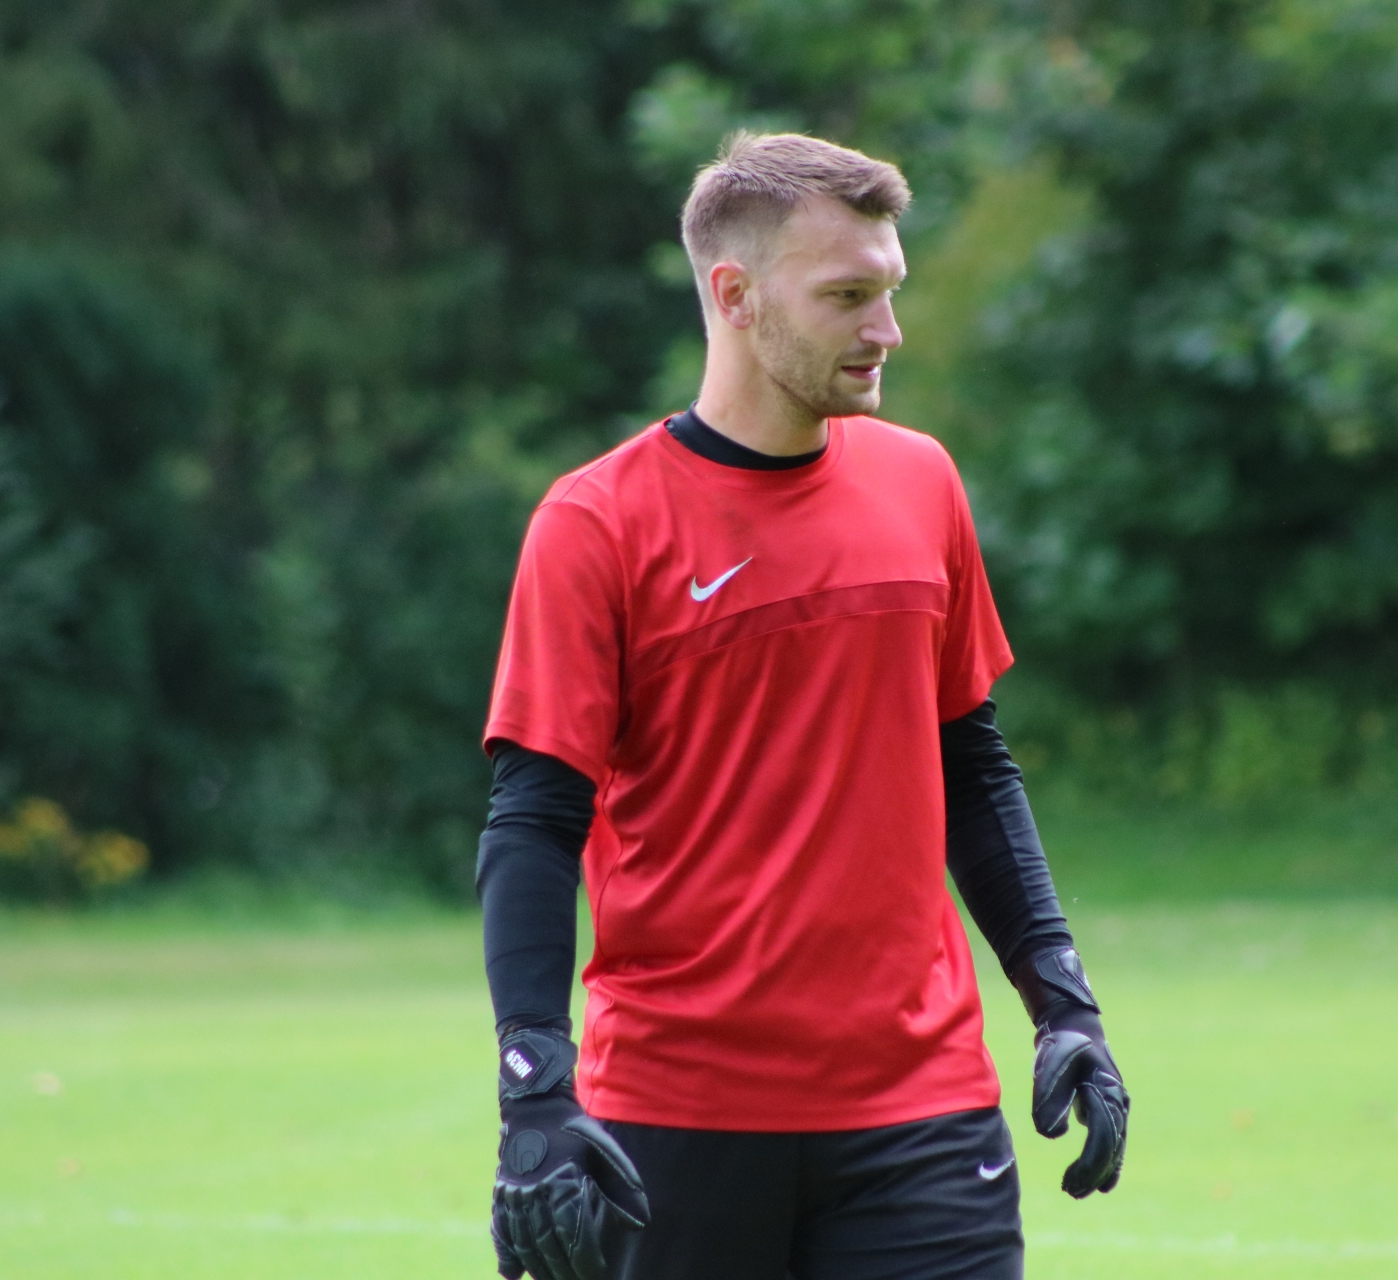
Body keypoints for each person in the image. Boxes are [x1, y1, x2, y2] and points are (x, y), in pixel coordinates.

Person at [478, 131, 1128, 1280]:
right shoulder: (596, 524)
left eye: (890, 290)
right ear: (735, 296)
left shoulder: (921, 482)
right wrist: (533, 1083)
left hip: (921, 1109)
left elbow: (971, 766)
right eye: (847, 297)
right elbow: (534, 818)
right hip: (675, 1116)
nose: (887, 330)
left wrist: (1063, 1001)